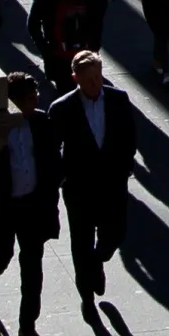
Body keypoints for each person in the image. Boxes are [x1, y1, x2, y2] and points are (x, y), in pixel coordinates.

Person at [46, 52, 138, 319]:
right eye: (88, 80)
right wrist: (63, 176)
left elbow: (129, 137)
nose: (95, 84)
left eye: (97, 78)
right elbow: (53, 149)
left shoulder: (118, 100)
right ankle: (86, 296)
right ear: (75, 78)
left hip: (113, 184)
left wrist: (124, 167)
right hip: (79, 189)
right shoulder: (62, 108)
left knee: (115, 234)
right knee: (81, 244)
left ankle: (98, 260)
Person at [0, 72, 61, 336]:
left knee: (32, 268)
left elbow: (53, 160)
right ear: (15, 102)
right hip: (4, 209)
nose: (37, 100)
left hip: (32, 207)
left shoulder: (42, 122)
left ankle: (28, 326)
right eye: (31, 97)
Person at [27, 0, 98, 95]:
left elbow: (32, 24)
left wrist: (45, 50)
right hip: (84, 50)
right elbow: (96, 20)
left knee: (64, 94)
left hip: (58, 54)